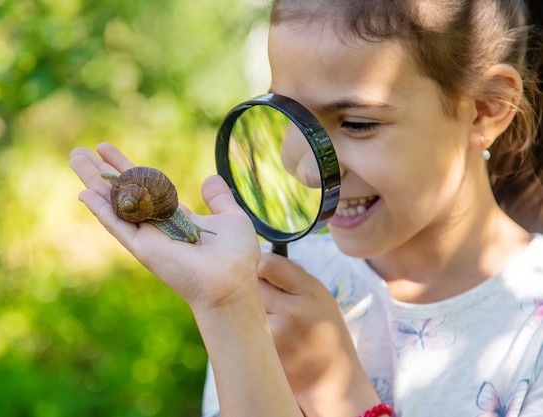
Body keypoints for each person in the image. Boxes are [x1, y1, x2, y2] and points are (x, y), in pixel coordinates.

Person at [69, 0, 543, 415]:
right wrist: (228, 312)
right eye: (289, 113)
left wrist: (337, 394)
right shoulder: (275, 280)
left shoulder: (529, 335)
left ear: (485, 109)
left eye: (356, 123)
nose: (307, 170)